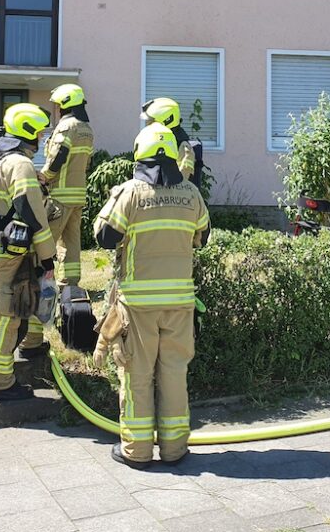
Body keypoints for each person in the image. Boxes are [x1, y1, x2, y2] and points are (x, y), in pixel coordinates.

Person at [93, 124, 210, 468]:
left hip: (138, 306)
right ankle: (175, 450)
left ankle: (137, 451)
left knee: (137, 376)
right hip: (180, 303)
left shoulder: (130, 192)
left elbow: (104, 236)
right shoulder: (191, 194)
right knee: (174, 374)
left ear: (139, 155)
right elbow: (202, 237)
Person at [0, 103, 57, 401]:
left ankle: (27, 347)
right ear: (28, 131)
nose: (41, 138)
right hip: (14, 246)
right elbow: (30, 208)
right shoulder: (19, 163)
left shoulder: (1, 157)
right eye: (38, 132)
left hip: (3, 242)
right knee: (8, 312)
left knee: (17, 305)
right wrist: (48, 254)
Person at [20, 83, 95, 357]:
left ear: (65, 102)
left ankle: (42, 283)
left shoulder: (66, 127)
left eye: (58, 103)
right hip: (78, 196)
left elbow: (59, 156)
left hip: (60, 195)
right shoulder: (87, 128)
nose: (56, 108)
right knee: (72, 243)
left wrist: (45, 176)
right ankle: (71, 284)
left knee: (47, 242)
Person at [140, 97, 197, 186]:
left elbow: (181, 185)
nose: (148, 125)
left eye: (151, 121)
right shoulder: (155, 142)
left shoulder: (184, 148)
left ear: (167, 120)